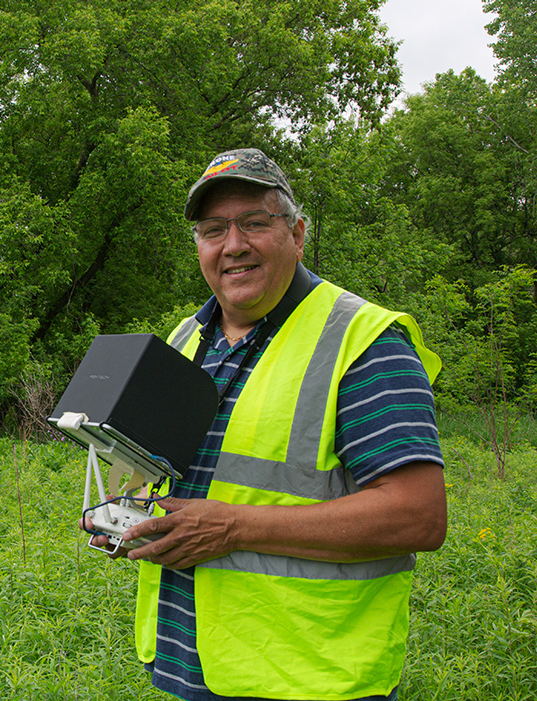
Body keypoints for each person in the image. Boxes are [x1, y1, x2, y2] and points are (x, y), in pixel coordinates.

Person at [86, 148, 447, 700]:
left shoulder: (363, 342)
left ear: (298, 234)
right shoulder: (185, 340)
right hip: (187, 665)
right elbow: (153, 473)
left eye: (255, 222)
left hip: (312, 677)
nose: (234, 244)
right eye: (214, 229)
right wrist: (127, 521)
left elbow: (417, 517)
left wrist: (235, 526)